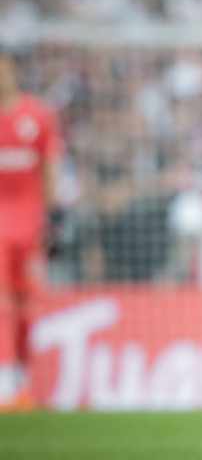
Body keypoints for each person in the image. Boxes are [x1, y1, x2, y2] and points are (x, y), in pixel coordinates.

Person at [0, 48, 62, 409]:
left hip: (30, 223)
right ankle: (6, 379)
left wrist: (53, 217)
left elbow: (50, 166)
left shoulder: (36, 115)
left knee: (26, 304)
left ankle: (22, 379)